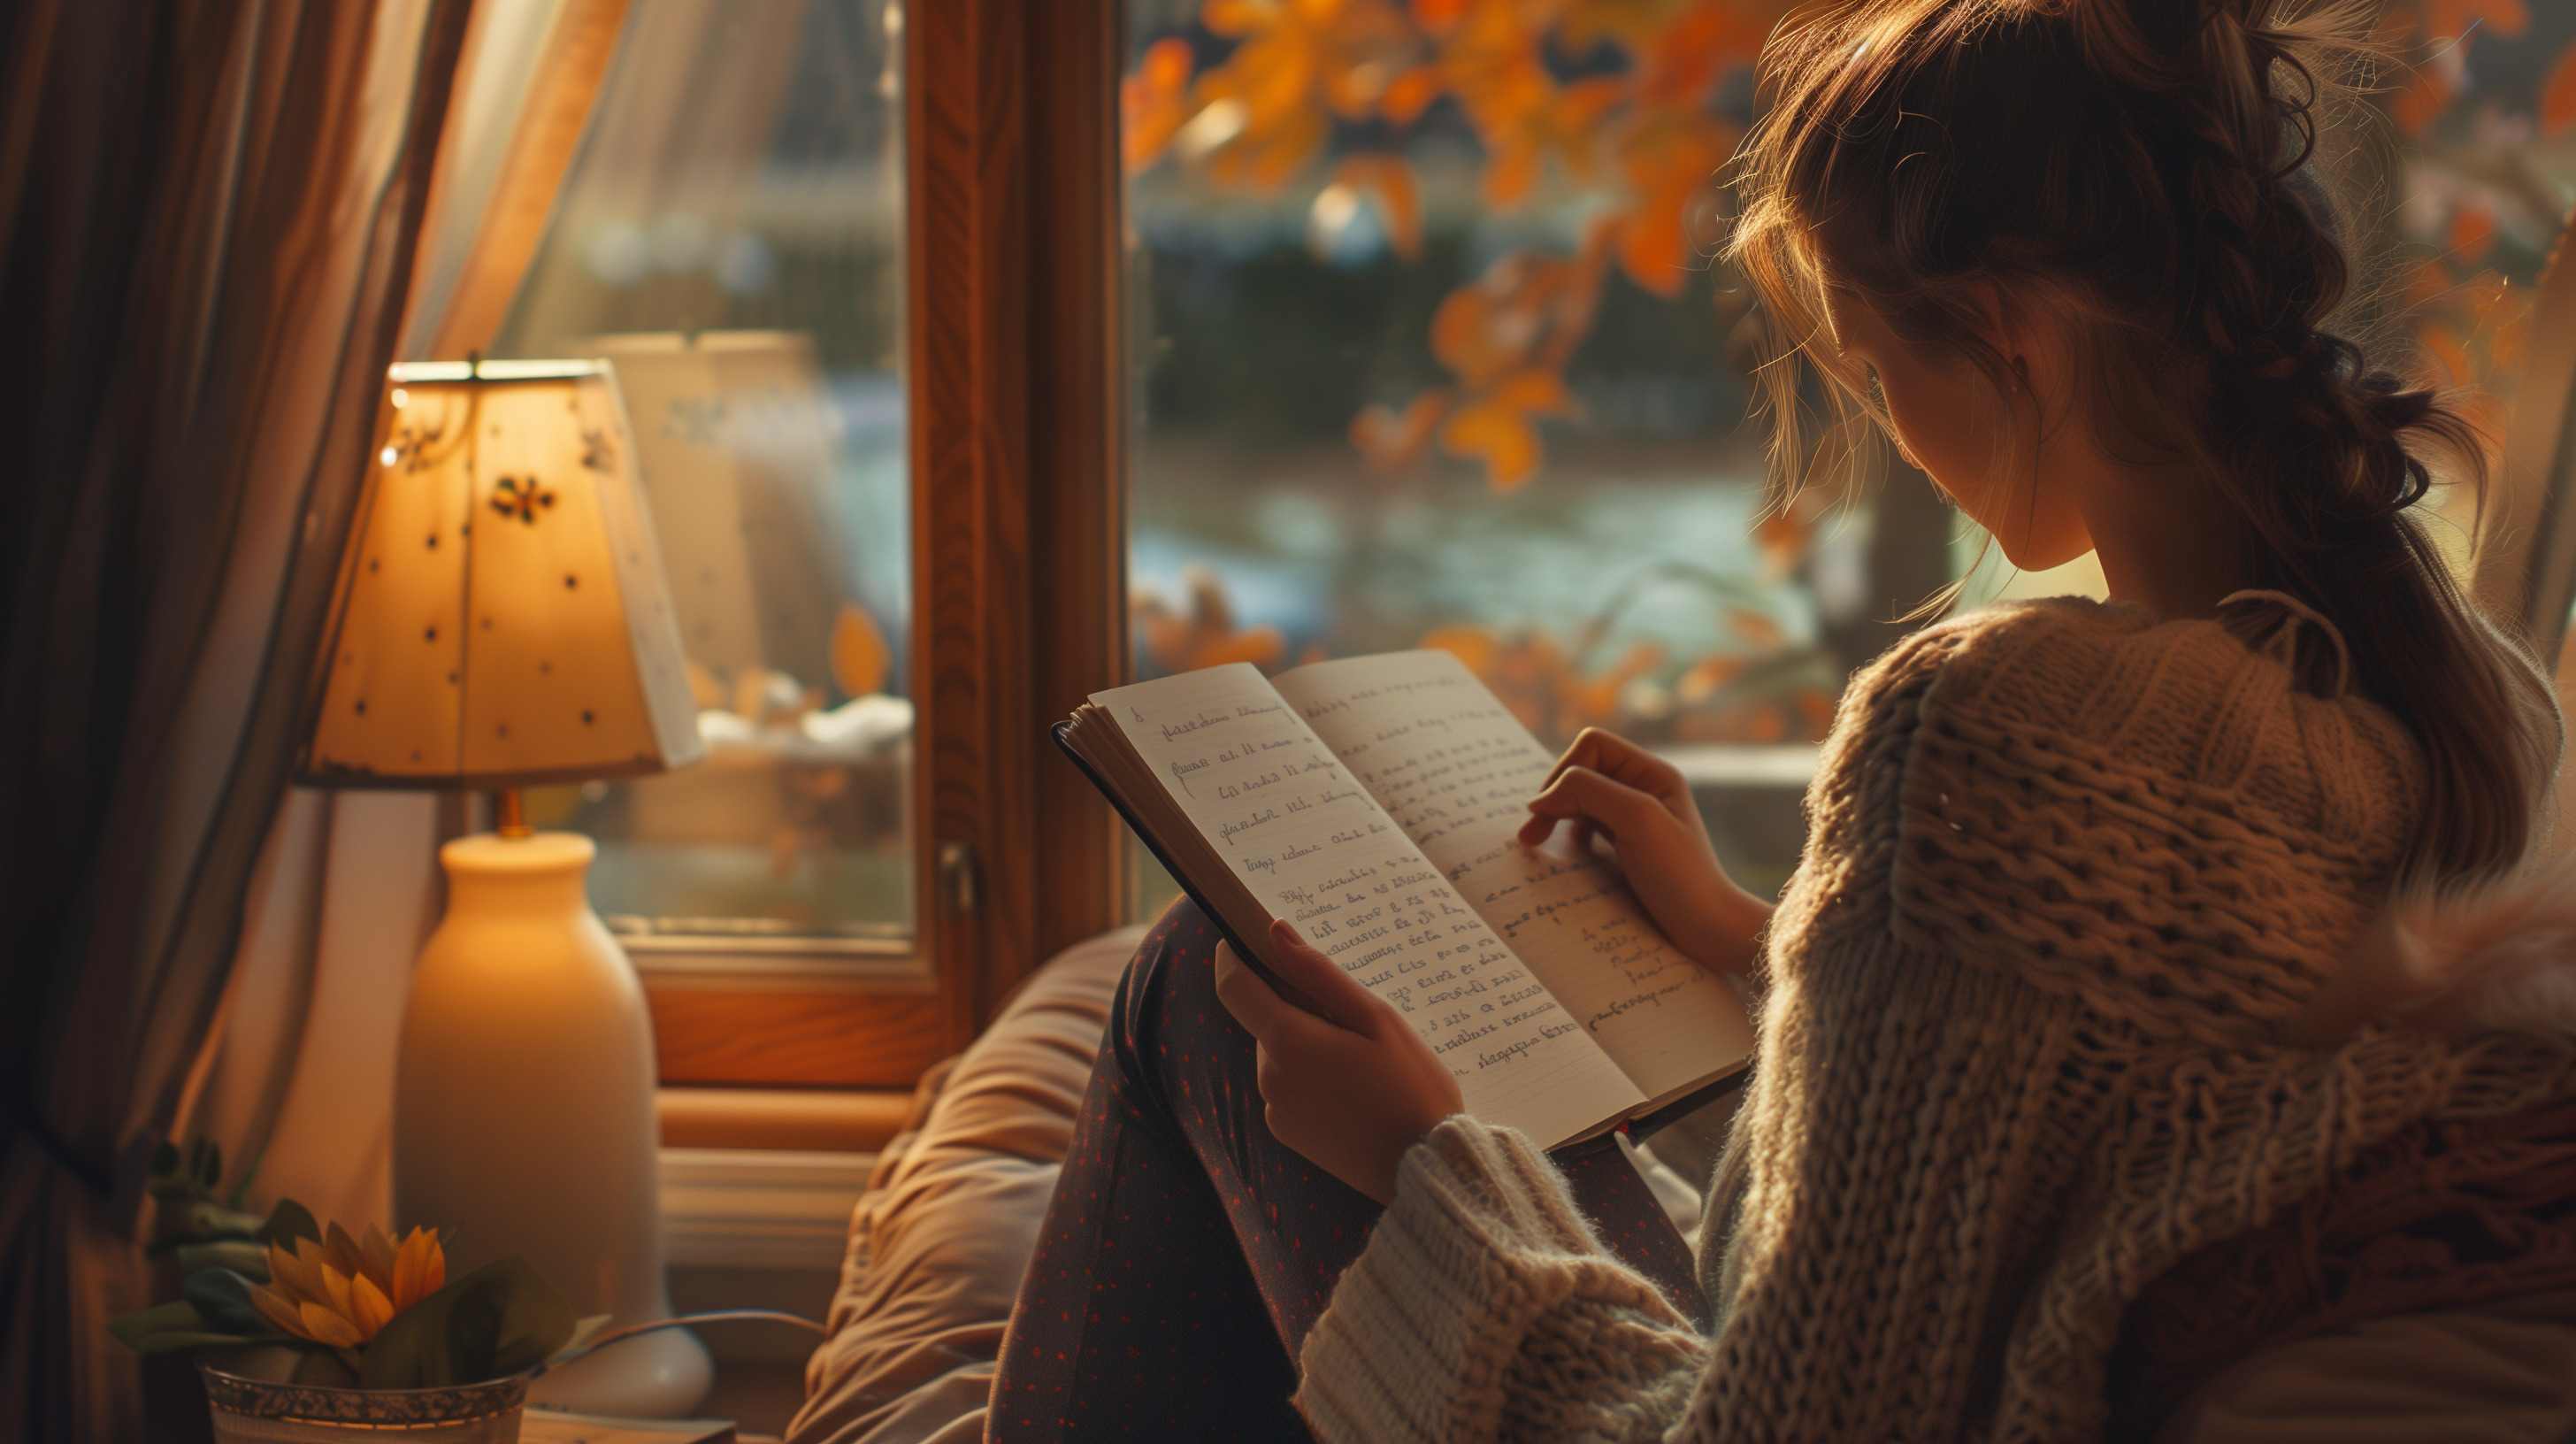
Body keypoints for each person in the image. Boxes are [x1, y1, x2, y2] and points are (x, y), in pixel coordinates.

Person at [991, 0, 2576, 1438]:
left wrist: (1419, 1169)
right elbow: (2129, 1086)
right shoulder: (2466, 687)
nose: (1890, 428)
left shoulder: (2009, 739)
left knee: (1207, 978)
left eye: (1879, 371)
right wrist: (1789, 941)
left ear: (2007, 333)